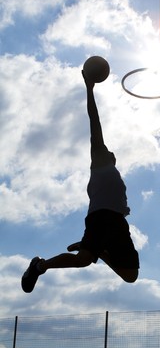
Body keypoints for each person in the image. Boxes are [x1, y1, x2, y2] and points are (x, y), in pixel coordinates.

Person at [21, 72, 139, 293]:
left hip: (116, 221)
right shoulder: (100, 161)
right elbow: (94, 121)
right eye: (107, 150)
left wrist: (122, 210)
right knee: (83, 260)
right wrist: (89, 89)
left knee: (130, 276)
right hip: (101, 219)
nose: (110, 151)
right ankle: (39, 266)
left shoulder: (112, 175)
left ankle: (99, 251)